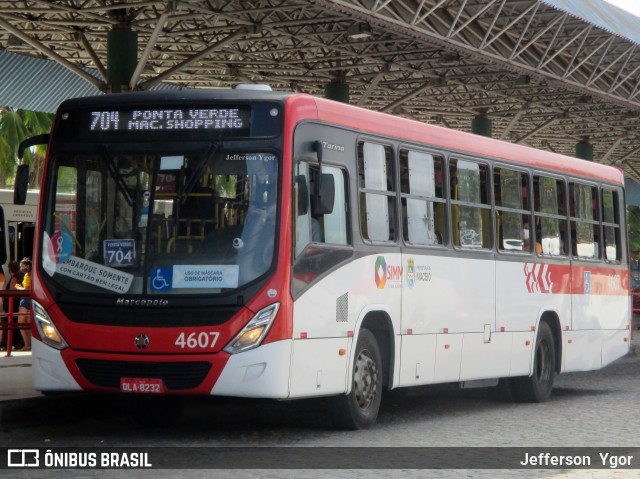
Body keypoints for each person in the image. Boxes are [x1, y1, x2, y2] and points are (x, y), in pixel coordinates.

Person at [1, 262, 23, 351]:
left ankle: (9, 343)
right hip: (15, 304)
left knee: (9, 323)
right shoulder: (20, 276)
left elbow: (12, 290)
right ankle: (15, 342)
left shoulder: (14, 278)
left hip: (12, 305)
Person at [15, 257, 32, 350]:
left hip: (25, 300)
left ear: (27, 266)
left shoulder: (26, 275)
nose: (21, 268)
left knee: (21, 324)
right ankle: (30, 345)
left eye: (22, 266)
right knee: (29, 325)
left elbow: (26, 289)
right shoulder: (33, 274)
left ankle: (27, 344)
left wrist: (17, 287)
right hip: (31, 300)